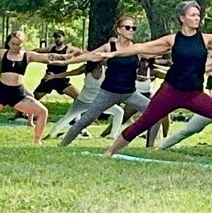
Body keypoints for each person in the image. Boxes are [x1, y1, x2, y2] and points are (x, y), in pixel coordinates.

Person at [92, 1, 212, 169]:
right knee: (143, 123)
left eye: (198, 15)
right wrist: (113, 54)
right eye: (192, 15)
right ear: (182, 18)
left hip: (194, 94)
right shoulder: (172, 40)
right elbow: (142, 48)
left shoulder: (206, 39)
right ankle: (109, 151)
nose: (196, 18)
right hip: (170, 92)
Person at [55, 16, 156, 146]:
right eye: (127, 27)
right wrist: (65, 61)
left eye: (133, 28)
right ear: (118, 30)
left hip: (130, 93)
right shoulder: (110, 47)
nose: (131, 30)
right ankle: (62, 145)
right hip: (108, 93)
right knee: (85, 120)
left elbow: (158, 49)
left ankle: (150, 146)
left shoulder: (136, 48)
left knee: (156, 113)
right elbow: (88, 56)